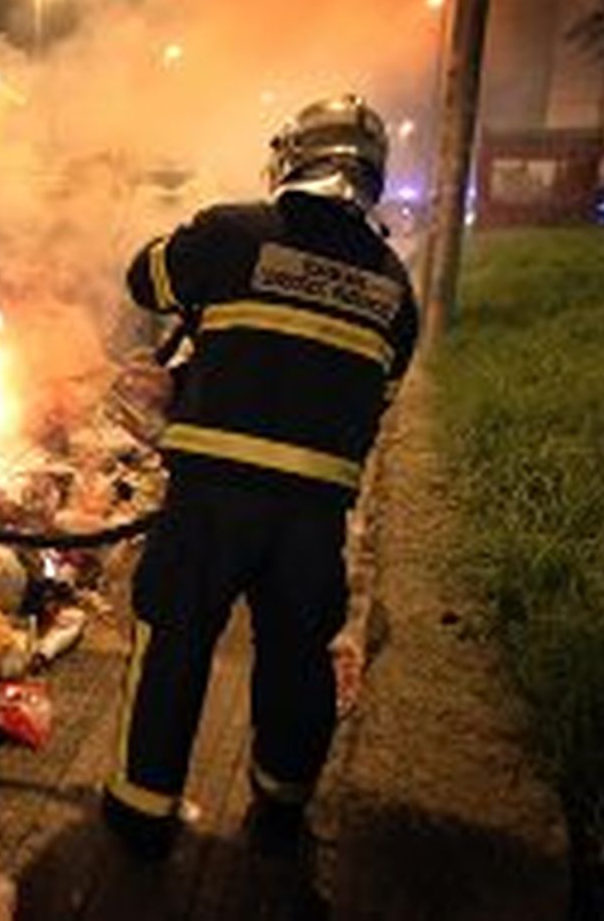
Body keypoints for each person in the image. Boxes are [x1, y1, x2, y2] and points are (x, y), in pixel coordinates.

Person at [103, 94, 419, 859]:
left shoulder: (233, 232)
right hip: (314, 513)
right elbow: (363, 399)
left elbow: (145, 279)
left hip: (211, 499)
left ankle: (141, 810)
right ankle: (282, 801)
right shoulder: (395, 288)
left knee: (175, 639)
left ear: (292, 157)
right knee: (298, 653)